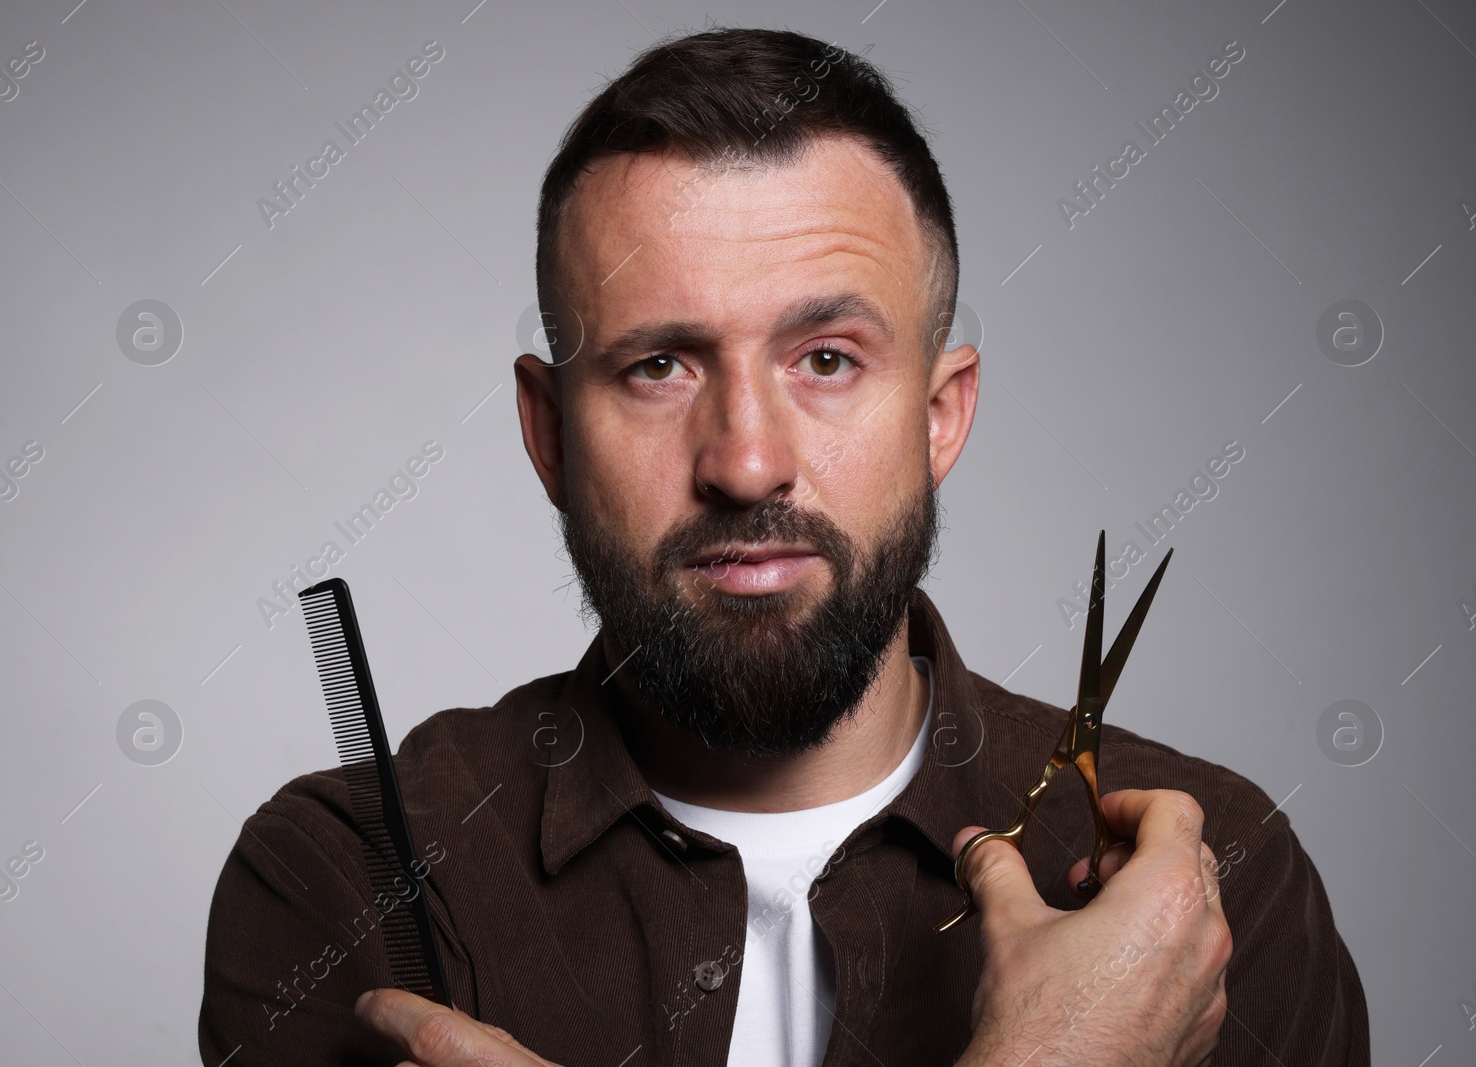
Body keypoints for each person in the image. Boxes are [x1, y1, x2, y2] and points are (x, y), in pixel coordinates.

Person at [199, 26, 1368, 1067]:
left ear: (940, 414)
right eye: (659, 365)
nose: (746, 461)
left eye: (826, 358)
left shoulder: (1204, 899)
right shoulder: (346, 879)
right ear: (549, 431)